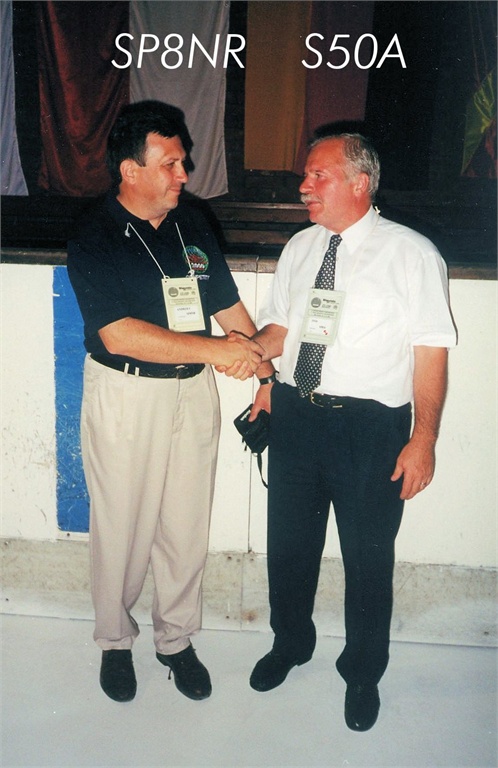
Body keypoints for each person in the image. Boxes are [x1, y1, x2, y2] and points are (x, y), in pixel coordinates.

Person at [247, 132, 456, 731]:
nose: (304, 186)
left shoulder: (411, 254)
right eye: (306, 176)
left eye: (319, 176)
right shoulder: (300, 247)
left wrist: (424, 438)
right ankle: (291, 642)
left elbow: (431, 351)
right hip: (297, 414)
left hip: (370, 427)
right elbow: (280, 327)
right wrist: (252, 358)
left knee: (368, 557)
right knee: (289, 545)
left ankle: (362, 672)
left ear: (360, 183)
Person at [67, 100, 274, 703]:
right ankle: (115, 641)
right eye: (170, 164)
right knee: (123, 526)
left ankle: (175, 640)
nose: (184, 174)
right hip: (127, 392)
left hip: (193, 393)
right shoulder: (94, 233)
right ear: (130, 170)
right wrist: (218, 351)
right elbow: (118, 334)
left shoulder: (193, 222)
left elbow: (227, 307)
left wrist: (264, 375)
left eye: (183, 162)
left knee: (185, 523)